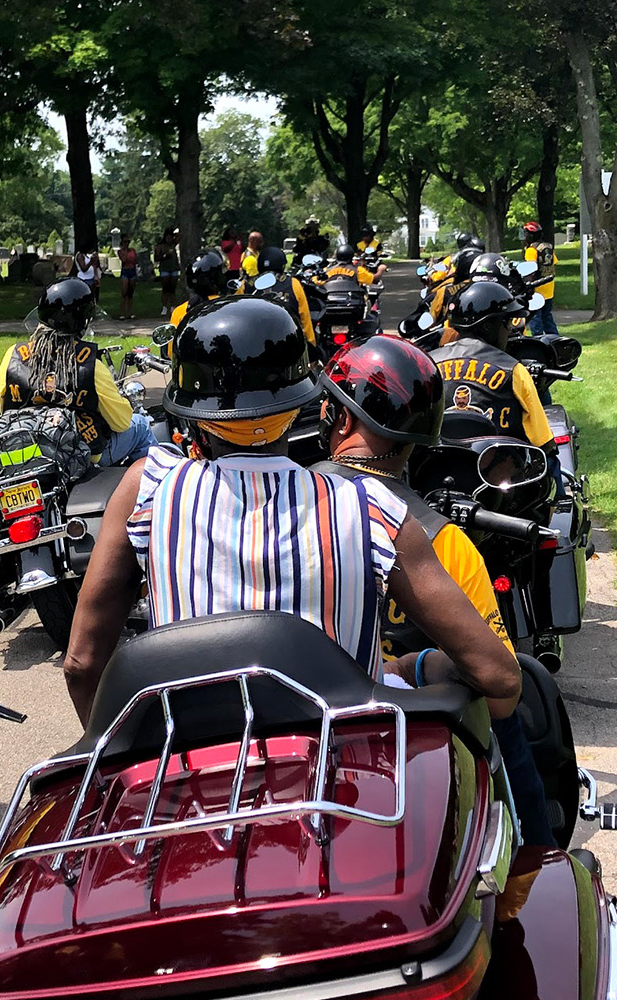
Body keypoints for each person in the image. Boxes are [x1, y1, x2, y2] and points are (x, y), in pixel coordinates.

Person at [61, 297, 521, 724]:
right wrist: (416, 665)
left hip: (185, 781)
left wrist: (121, 756)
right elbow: (500, 678)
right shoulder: (373, 510)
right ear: (303, 401)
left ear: (194, 414)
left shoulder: (148, 486)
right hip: (332, 779)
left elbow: (82, 665)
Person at [311, 337, 554, 846]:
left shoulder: (283, 509)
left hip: (299, 739)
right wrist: (419, 666)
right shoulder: (446, 542)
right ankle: (536, 862)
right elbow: (501, 692)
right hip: (419, 750)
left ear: (342, 419)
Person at [0, 278, 156, 466]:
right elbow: (121, 423)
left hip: (26, 453)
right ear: (83, 321)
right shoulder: (90, 366)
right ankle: (151, 489)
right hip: (80, 456)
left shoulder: (13, 357)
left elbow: (4, 409)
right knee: (140, 425)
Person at [431, 281, 554, 453]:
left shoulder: (429, 365)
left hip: (435, 471)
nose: (510, 330)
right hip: (499, 474)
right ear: (489, 326)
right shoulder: (513, 370)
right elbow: (543, 440)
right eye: (506, 323)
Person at [238, 245, 317, 345]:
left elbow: (235, 312)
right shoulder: (293, 283)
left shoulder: (246, 286)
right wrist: (311, 344)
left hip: (253, 345)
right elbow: (304, 318)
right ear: (282, 265)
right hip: (288, 344)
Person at [521, 222, 559, 335]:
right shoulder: (548, 247)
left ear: (532, 235)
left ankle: (538, 340)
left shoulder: (531, 250)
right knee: (547, 316)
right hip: (549, 287)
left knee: (535, 316)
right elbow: (554, 263)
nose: (525, 236)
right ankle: (554, 338)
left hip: (536, 289)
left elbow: (531, 269)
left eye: (527, 234)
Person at [154, 228, 180, 317]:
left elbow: (179, 237)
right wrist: (164, 256)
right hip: (165, 268)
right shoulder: (161, 246)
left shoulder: (173, 245)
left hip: (173, 268)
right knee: (165, 288)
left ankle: (173, 306)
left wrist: (175, 233)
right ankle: (165, 307)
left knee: (173, 288)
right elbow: (156, 258)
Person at [117, 239, 139, 320]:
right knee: (124, 293)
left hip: (132, 270)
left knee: (130, 293)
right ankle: (122, 313)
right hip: (125, 271)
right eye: (125, 242)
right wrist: (125, 251)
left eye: (128, 242)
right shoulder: (120, 251)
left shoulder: (132, 251)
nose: (127, 244)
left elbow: (135, 260)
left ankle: (131, 312)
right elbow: (124, 260)